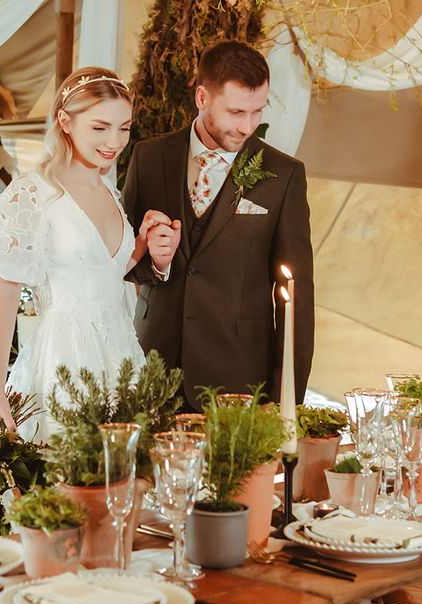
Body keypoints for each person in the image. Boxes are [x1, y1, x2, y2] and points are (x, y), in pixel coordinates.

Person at [0, 67, 179, 441]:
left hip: (121, 353)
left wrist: (142, 246)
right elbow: (6, 296)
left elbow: (105, 274)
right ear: (65, 121)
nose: (114, 141)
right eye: (100, 128)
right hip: (64, 357)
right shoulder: (33, 193)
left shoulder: (110, 194)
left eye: (124, 128)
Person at [123, 39, 314, 408]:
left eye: (258, 111)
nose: (247, 126)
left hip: (238, 378)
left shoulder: (284, 175)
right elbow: (120, 258)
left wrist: (286, 402)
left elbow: (296, 296)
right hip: (153, 368)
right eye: (236, 112)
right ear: (202, 98)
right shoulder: (148, 158)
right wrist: (155, 263)